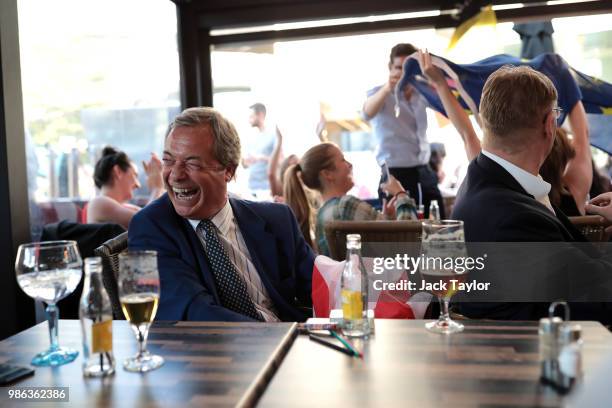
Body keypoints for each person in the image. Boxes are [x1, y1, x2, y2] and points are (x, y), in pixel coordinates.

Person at [448, 65, 612, 322]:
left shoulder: (485, 182)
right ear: (550, 124)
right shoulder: (513, 217)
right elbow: (602, 299)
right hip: (545, 353)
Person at [128, 107, 314, 322]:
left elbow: (321, 285)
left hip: (293, 343)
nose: (175, 175)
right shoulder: (152, 227)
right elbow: (196, 313)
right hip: (217, 352)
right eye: (168, 160)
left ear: (228, 171)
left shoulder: (276, 220)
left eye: (192, 163)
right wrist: (277, 337)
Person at [418, 49, 592, 215]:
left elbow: (467, 135)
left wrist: (440, 84)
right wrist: (566, 79)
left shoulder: (488, 181)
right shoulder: (574, 189)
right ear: (549, 127)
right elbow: (582, 136)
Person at [283, 142, 418, 256]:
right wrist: (401, 195)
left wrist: (387, 219)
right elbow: (407, 243)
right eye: (342, 160)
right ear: (327, 174)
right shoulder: (345, 206)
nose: (350, 164)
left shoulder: (322, 215)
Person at [362, 43, 445, 219]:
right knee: (401, 232)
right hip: (395, 174)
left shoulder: (422, 92)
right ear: (390, 68)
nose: (404, 72)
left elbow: (445, 107)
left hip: (425, 170)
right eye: (400, 67)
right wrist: (388, 88)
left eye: (409, 67)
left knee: (438, 221)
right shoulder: (379, 93)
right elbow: (367, 112)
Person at [85, 146, 164, 229]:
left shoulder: (125, 207)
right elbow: (149, 222)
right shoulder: (98, 203)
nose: (138, 185)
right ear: (118, 172)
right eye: (135, 175)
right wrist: (157, 188)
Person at [242, 103, 281, 197]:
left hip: (267, 190)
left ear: (260, 115)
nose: (249, 120)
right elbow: (245, 165)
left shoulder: (274, 136)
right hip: (251, 189)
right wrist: (245, 162)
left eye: (251, 116)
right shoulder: (251, 138)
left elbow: (281, 162)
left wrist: (261, 158)